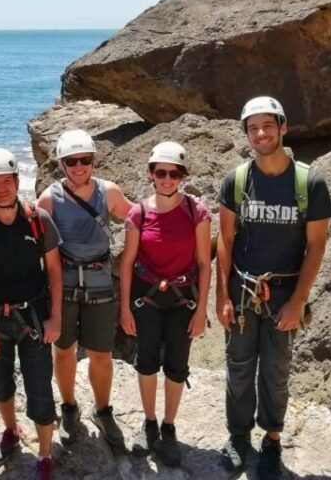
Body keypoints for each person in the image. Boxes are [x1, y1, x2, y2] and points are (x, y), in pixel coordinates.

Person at [216, 97, 331, 479]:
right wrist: (222, 297)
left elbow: (316, 245)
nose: (261, 133)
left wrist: (298, 301)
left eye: (268, 125)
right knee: (238, 367)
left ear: (283, 127)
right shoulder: (236, 180)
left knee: (276, 371)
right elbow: (225, 241)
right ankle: (237, 437)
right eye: (253, 128)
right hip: (243, 291)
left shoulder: (308, 182)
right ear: (247, 134)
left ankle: (272, 438)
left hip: (284, 292)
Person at [0, 148, 62, 480]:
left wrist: (55, 317)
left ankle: (45, 455)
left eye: (7, 181)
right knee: (1, 386)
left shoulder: (38, 220)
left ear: (18, 181)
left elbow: (55, 273)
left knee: (40, 388)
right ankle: (11, 430)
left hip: (33, 315)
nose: (1, 188)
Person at [35, 129, 132, 449]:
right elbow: (33, 244)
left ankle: (103, 410)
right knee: (63, 350)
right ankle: (69, 407)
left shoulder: (110, 192)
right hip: (62, 285)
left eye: (85, 160)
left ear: (94, 160)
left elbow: (140, 220)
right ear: (61, 164)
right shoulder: (50, 198)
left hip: (100, 283)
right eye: (71, 161)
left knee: (101, 354)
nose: (79, 167)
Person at [119, 142, 211, 467]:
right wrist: (124, 309)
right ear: (151, 174)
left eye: (174, 173)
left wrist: (202, 311)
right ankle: (149, 423)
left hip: (182, 298)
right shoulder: (139, 213)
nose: (167, 179)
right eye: (161, 172)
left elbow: (204, 263)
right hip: (146, 298)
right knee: (145, 361)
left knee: (176, 364)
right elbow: (127, 262)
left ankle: (168, 427)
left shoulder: (196, 212)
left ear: (183, 176)